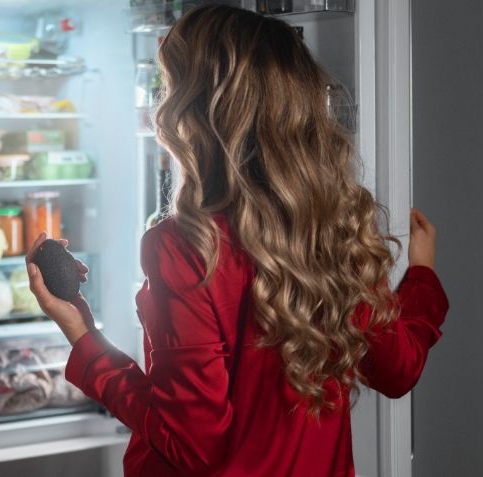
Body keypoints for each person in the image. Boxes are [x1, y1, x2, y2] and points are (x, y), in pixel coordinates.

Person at [25, 5, 448, 477]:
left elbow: (194, 444)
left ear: (191, 111)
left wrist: (83, 336)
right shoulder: (330, 231)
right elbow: (398, 370)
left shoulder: (184, 247)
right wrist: (423, 275)